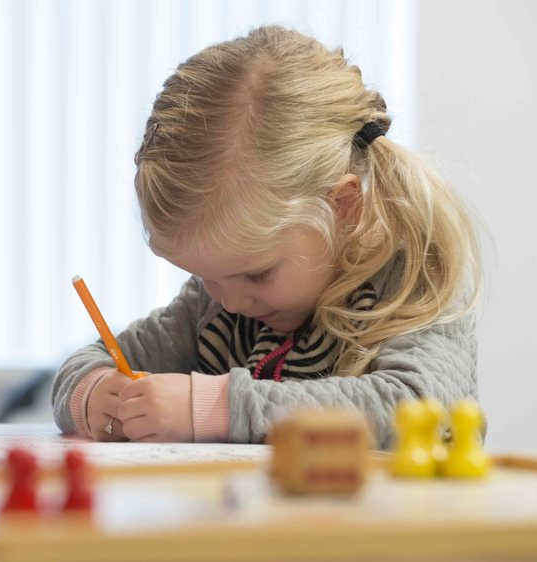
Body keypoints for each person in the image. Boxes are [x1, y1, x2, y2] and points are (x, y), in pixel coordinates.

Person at [51, 25, 481, 448]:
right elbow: (89, 362)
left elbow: (421, 411)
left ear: (343, 206)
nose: (231, 301)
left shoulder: (413, 275)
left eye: (258, 275)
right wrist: (95, 392)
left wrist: (217, 407)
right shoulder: (219, 299)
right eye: (207, 277)